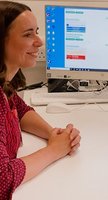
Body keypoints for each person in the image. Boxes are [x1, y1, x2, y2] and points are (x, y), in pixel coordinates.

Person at [0, 1, 81, 199]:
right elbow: (3, 180)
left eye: (36, 31)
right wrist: (55, 150)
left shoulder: (6, 84)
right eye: (28, 34)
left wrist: (53, 133)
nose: (39, 41)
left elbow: (20, 110)